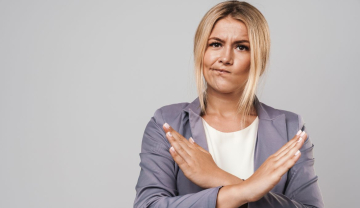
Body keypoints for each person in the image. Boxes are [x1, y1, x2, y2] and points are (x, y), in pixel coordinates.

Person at [133, 1, 324, 207]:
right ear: (201, 51)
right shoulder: (167, 123)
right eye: (216, 44)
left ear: (258, 58)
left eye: (241, 47)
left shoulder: (290, 128)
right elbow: (148, 205)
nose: (225, 57)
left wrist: (218, 176)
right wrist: (245, 189)